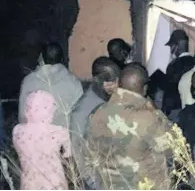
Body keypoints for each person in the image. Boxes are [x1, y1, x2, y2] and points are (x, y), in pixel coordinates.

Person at [84, 62, 172, 189]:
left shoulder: (97, 113)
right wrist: (157, 112)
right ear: (145, 88)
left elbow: (90, 159)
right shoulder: (148, 118)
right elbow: (174, 149)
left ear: (119, 82)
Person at [70, 56, 120, 185]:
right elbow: (78, 154)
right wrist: (95, 184)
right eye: (109, 80)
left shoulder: (111, 97)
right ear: (96, 79)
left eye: (116, 79)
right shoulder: (81, 111)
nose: (115, 85)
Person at [13, 90, 72, 189]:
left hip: (28, 185)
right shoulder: (60, 132)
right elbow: (68, 154)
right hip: (54, 184)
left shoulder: (17, 130)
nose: (54, 110)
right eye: (51, 107)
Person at [19, 43, 83, 129]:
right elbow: (79, 117)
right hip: (63, 138)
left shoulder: (28, 81)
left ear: (42, 59)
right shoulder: (74, 82)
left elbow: (22, 117)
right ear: (63, 59)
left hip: (34, 138)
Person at [150, 29, 195, 117]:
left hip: (175, 111)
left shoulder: (174, 65)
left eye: (171, 46)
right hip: (190, 109)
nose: (170, 50)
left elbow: (170, 90)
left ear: (176, 46)